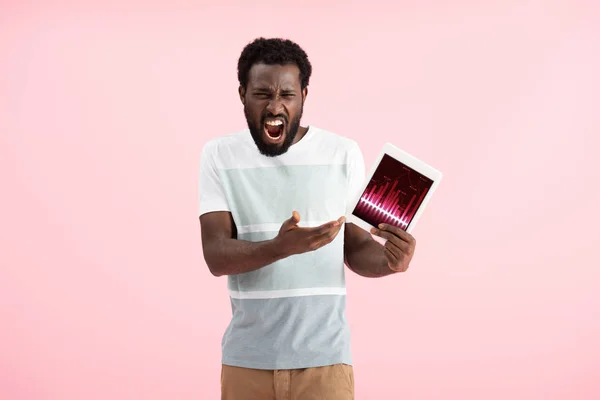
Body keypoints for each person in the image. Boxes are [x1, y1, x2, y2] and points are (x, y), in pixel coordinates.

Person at [198, 37, 417, 400]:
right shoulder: (218, 155)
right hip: (246, 361)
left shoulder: (342, 153)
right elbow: (216, 255)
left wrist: (390, 261)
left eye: (287, 94)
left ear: (303, 95)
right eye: (262, 94)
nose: (275, 105)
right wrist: (280, 248)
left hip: (326, 363)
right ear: (242, 94)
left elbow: (357, 247)